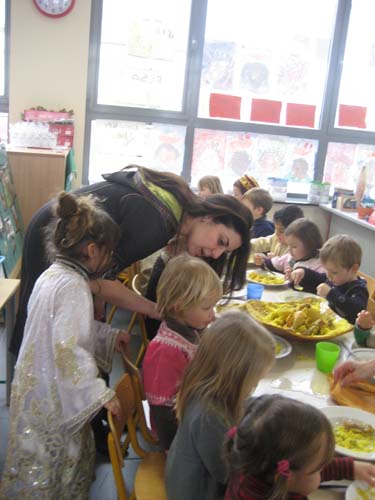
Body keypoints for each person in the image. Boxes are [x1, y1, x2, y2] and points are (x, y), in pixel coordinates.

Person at [11, 165, 253, 357]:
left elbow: (101, 277)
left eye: (225, 252)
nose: (215, 253)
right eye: (221, 241)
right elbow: (100, 283)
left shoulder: (175, 209)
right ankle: (27, 388)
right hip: (55, 231)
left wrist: (97, 298)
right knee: (41, 321)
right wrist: (155, 310)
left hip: (58, 226)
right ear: (210, 216)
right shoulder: (157, 225)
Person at [0, 192, 130, 499]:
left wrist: (108, 336)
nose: (111, 260)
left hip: (34, 387)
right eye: (109, 253)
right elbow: (68, 348)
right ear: (93, 249)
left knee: (36, 460)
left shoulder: (52, 275)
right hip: (54, 396)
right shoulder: (73, 287)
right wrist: (99, 393)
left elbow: (58, 329)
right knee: (57, 462)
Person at [165, 311, 275, 500]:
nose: (254, 388)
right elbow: (231, 475)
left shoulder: (209, 387)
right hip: (197, 492)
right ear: (234, 377)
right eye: (254, 381)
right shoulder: (209, 416)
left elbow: (246, 405)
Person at [225, 394, 375, 500]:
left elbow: (304, 469)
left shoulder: (258, 465)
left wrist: (349, 468)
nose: (322, 470)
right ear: (286, 477)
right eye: (319, 469)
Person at [142, 255, 222, 451]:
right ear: (179, 306)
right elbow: (162, 409)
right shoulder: (166, 351)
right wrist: (173, 450)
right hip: (179, 433)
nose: (213, 315)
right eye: (206, 308)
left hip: (194, 410)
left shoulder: (190, 329)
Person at [290, 234, 368, 324]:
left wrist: (331, 294)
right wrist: (303, 273)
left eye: (334, 272)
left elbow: (356, 309)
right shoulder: (333, 278)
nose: (329, 276)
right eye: (327, 270)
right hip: (325, 324)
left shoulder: (359, 290)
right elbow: (316, 278)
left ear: (353, 269)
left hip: (345, 334)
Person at [255, 218, 324, 276]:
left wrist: (302, 276)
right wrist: (262, 262)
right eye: (289, 246)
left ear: (310, 244)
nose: (290, 250)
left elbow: (320, 283)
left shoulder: (320, 264)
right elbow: (273, 264)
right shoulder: (289, 258)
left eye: (294, 247)